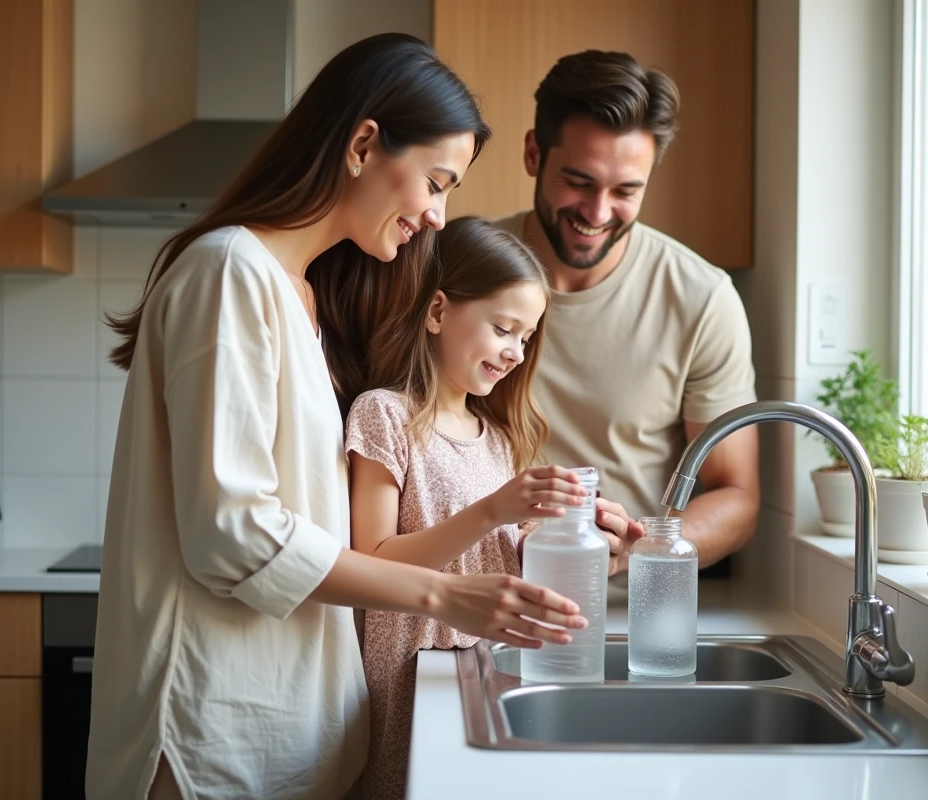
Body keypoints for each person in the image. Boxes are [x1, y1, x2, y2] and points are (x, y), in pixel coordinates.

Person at [87, 34, 587, 800]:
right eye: (436, 181)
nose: (436, 214)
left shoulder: (306, 295)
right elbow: (232, 530)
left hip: (284, 725)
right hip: (208, 728)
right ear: (362, 145)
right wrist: (443, 595)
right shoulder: (230, 272)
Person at [345, 216, 636, 799]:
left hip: (489, 671)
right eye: (504, 328)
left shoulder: (499, 436)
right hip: (410, 675)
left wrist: (587, 545)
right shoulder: (385, 416)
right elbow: (370, 558)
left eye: (526, 337)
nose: (515, 352)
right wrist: (493, 511)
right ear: (436, 312)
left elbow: (493, 562)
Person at [494, 50, 761, 572]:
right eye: (579, 181)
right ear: (533, 154)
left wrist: (634, 551)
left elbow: (738, 499)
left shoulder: (702, 299)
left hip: (626, 616)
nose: (597, 213)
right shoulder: (454, 272)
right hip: (475, 608)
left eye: (626, 191)